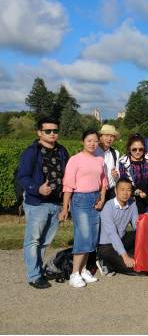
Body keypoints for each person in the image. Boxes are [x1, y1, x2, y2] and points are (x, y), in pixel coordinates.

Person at [18, 117, 69, 289]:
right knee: (33, 241)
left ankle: (38, 271)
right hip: (37, 203)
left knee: (45, 241)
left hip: (55, 203)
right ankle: (34, 276)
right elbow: (23, 177)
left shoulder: (62, 151)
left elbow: (67, 176)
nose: (52, 134)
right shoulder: (32, 152)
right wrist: (37, 188)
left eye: (55, 130)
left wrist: (65, 202)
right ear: (39, 132)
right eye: (48, 131)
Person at [60, 129, 107, 288]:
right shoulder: (75, 160)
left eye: (95, 141)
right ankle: (74, 273)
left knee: (92, 237)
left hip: (95, 198)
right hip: (80, 199)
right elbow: (68, 185)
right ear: (83, 142)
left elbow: (103, 182)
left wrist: (102, 198)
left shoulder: (99, 160)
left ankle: (84, 269)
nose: (92, 144)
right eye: (89, 141)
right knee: (83, 236)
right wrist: (65, 208)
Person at [97, 178, 139, 275]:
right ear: (116, 191)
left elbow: (137, 226)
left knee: (138, 234)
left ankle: (120, 259)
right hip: (106, 245)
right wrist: (125, 257)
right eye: (122, 189)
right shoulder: (108, 207)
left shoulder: (132, 204)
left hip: (121, 240)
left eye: (128, 190)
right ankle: (105, 263)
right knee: (135, 268)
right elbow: (112, 234)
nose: (125, 193)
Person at [118, 133, 148, 214]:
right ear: (129, 148)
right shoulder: (123, 162)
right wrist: (138, 192)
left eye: (140, 149)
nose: (137, 152)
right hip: (132, 199)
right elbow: (124, 182)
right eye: (134, 149)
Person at [95, 124, 120, 201]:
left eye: (112, 136)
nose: (109, 139)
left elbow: (117, 175)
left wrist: (116, 175)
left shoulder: (115, 153)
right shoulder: (93, 151)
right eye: (106, 135)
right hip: (96, 192)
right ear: (100, 137)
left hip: (111, 192)